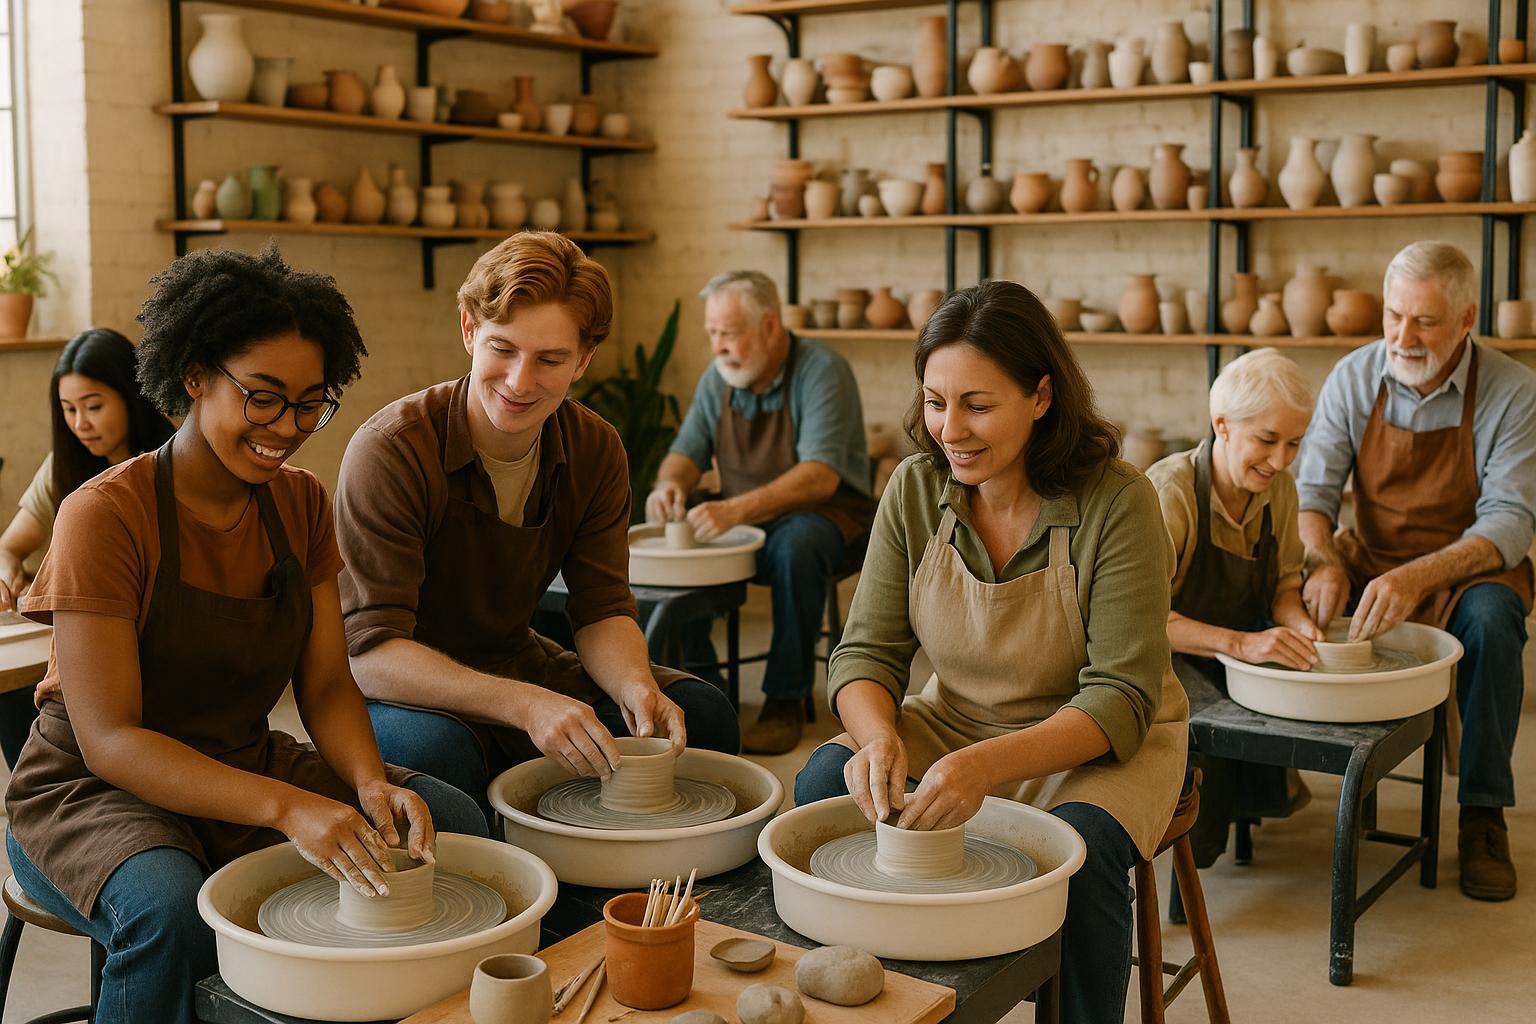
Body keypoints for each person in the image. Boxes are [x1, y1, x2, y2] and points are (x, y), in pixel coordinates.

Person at [3, 246, 487, 1024]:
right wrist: (287, 809)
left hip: (236, 760)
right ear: (194, 376)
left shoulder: (298, 504)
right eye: (262, 398)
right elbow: (111, 740)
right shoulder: (104, 514)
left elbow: (327, 685)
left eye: (309, 404)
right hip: (90, 792)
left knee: (448, 824)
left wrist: (367, 782)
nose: (286, 428)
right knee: (169, 909)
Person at [793, 281, 1187, 1024]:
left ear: (1041, 397)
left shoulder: (1118, 501)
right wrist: (878, 739)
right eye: (936, 402)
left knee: (1085, 850)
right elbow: (865, 654)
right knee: (822, 784)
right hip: (955, 723)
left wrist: (984, 768)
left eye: (978, 404)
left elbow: (1121, 696)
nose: (951, 430)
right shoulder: (914, 489)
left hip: (1097, 746)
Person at [336, 232, 739, 828]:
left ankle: (614, 895)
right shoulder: (391, 451)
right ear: (470, 329)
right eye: (503, 348)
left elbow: (601, 608)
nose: (520, 382)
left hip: (513, 661)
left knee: (698, 714)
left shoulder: (595, 448)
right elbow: (368, 656)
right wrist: (526, 706)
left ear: (583, 359)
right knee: (441, 757)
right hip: (399, 690)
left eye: (549, 360)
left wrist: (634, 687)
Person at [1296, 240, 1535, 902]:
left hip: (1467, 566)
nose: (1403, 336)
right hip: (1371, 556)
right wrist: (1321, 561)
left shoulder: (1513, 392)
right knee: (1281, 591)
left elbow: (1511, 522)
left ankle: (1483, 814)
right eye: (1394, 316)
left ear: (1465, 321)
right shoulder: (1353, 375)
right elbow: (1311, 497)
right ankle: (1254, 783)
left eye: (1424, 322)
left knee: (1493, 622)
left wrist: (1421, 577)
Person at [646, 271, 876, 754]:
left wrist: (734, 509)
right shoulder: (720, 378)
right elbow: (685, 451)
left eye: (729, 333)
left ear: (770, 327)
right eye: (712, 333)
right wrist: (670, 484)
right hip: (747, 517)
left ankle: (783, 701)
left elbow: (820, 476)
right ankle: (701, 686)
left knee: (797, 545)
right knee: (676, 533)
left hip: (829, 515)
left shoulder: (820, 369)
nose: (718, 346)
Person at [1148, 347, 1321, 866]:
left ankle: (1245, 811)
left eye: (1294, 443)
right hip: (1164, 656)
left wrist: (1304, 626)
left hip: (1238, 642)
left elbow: (1285, 585)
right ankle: (1189, 846)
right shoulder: (1169, 491)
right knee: (1212, 719)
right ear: (1222, 424)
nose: (1282, 460)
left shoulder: (1281, 491)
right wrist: (1243, 644)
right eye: (1267, 441)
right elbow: (1142, 620)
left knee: (1291, 700)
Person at [0, 328, 175, 766]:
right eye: (69, 410)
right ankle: (48, 794)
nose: (80, 424)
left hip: (145, 646)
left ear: (132, 397)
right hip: (70, 642)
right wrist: (6, 568)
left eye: (94, 407)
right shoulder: (66, 464)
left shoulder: (171, 465)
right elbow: (10, 546)